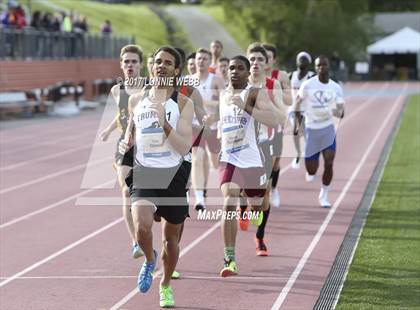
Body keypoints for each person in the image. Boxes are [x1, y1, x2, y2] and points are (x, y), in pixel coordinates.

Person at [119, 46, 194, 308]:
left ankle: (165, 285)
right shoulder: (136, 100)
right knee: (141, 227)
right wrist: (127, 139)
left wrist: (164, 123)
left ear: (176, 70)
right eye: (157, 61)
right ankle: (150, 260)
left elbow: (184, 146)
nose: (161, 66)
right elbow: (132, 128)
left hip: (174, 175)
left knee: (170, 240)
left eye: (167, 63)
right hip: (145, 172)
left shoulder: (184, 103)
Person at [218, 55, 282, 277]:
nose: (234, 71)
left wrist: (245, 107)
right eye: (231, 68)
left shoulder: (255, 93)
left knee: (259, 206)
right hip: (229, 158)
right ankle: (230, 259)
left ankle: (254, 208)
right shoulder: (223, 95)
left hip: (253, 159)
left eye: (239, 68)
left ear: (247, 73)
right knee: (228, 202)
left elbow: (273, 120)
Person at [100, 44, 145, 259]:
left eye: (134, 61)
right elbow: (122, 115)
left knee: (148, 199)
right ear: (121, 65)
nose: (130, 65)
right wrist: (109, 131)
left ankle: (145, 232)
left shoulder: (148, 88)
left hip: (147, 146)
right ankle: (136, 242)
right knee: (126, 191)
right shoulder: (116, 90)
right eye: (126, 62)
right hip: (125, 145)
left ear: (141, 65)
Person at [242, 43, 286, 256]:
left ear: (266, 63)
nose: (256, 63)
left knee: (265, 193)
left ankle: (259, 236)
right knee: (240, 187)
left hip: (266, 143)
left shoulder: (272, 85)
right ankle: (242, 206)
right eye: (252, 59)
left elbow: (281, 115)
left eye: (260, 59)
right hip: (241, 145)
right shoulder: (239, 84)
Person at [294, 55, 345, 207]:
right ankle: (310, 172)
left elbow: (341, 112)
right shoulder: (308, 85)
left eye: (324, 65)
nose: (322, 67)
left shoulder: (336, 87)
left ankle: (324, 195)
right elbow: (297, 106)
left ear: (329, 67)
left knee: (329, 162)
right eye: (318, 65)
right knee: (311, 169)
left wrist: (333, 111)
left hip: (328, 129)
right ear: (315, 68)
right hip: (311, 129)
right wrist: (299, 126)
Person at [191, 48, 225, 211]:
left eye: (205, 59)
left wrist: (211, 106)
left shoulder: (216, 80)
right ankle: (199, 198)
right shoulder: (188, 81)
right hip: (195, 127)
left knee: (215, 161)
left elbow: (226, 103)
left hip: (213, 127)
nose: (201, 61)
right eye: (199, 58)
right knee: (197, 159)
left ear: (209, 61)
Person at [261, 43, 292, 208]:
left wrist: (276, 93)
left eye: (268, 57)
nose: (265, 61)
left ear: (273, 60)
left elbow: (289, 100)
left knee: (275, 163)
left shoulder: (281, 76)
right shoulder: (253, 76)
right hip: (259, 125)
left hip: (277, 124)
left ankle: (273, 189)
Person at [289, 51, 315, 169]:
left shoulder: (311, 76)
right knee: (295, 131)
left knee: (304, 134)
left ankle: (308, 154)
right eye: (300, 59)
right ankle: (298, 154)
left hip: (308, 110)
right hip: (294, 109)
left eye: (304, 59)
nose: (301, 61)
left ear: (308, 63)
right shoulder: (291, 75)